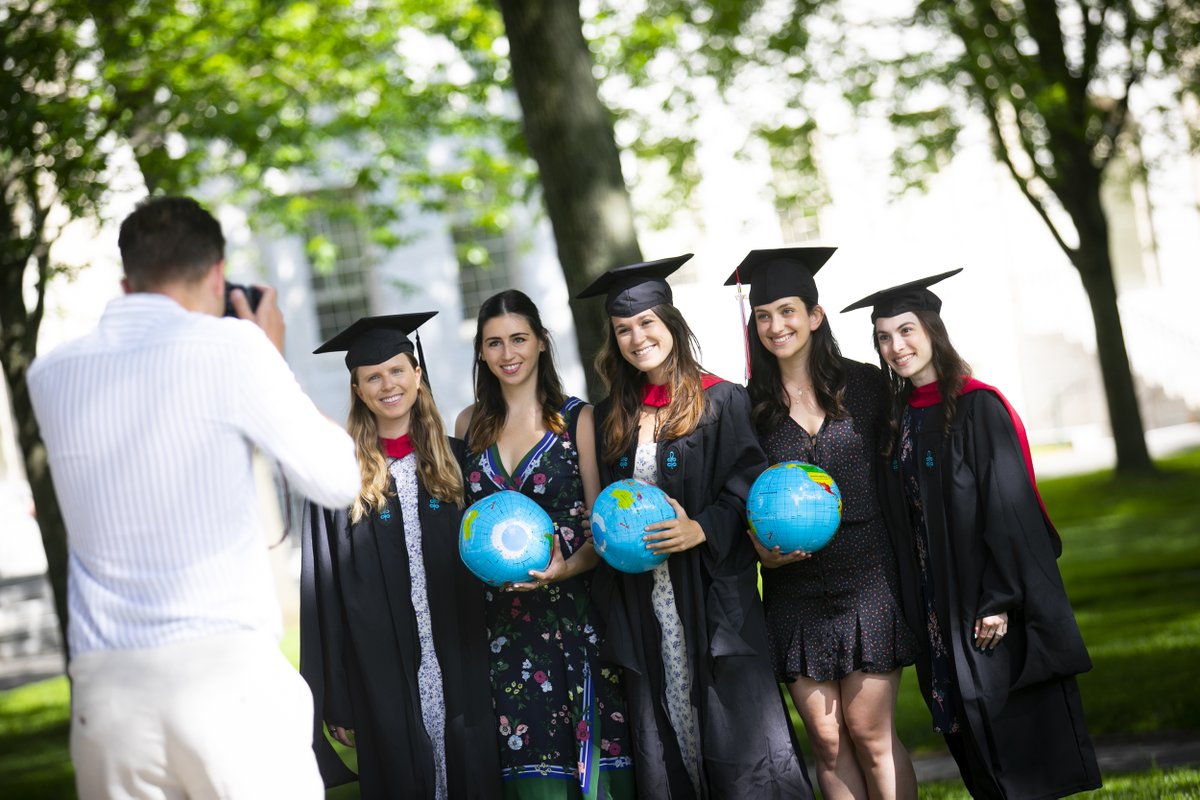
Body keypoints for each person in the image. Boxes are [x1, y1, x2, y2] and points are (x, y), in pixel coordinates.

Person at [27, 195, 361, 799]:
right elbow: (339, 479)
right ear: (216, 274)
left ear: (126, 281)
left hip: (107, 696)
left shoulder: (48, 375)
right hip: (223, 681)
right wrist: (270, 358)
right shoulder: (233, 351)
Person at [843, 269, 1102, 799]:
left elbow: (1010, 510)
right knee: (964, 730)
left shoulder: (977, 406)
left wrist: (1000, 597)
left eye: (907, 330)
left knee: (1011, 734)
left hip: (981, 601)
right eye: (884, 338)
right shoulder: (900, 419)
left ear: (933, 331)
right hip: (935, 605)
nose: (896, 347)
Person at [577, 256, 813, 800]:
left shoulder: (721, 399)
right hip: (643, 601)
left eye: (647, 323)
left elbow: (748, 488)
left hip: (710, 596)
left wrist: (701, 530)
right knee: (663, 731)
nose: (638, 338)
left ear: (671, 324)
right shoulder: (613, 413)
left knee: (738, 737)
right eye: (623, 330)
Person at [727, 248, 919, 800]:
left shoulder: (868, 387)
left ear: (815, 315)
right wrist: (757, 547)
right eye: (762, 316)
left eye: (787, 311)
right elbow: (736, 494)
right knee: (828, 743)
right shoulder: (748, 408)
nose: (774, 325)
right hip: (794, 588)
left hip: (868, 580)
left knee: (869, 733)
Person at [301, 313, 502, 799]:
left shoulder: (463, 461)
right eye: (373, 376)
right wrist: (335, 695)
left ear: (417, 375)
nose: (387, 385)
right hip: (380, 674)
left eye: (397, 370)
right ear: (358, 390)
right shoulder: (337, 479)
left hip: (465, 660)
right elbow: (320, 595)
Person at [454, 289, 635, 799]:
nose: (507, 354)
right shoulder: (468, 426)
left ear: (540, 343)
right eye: (494, 343)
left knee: (596, 769)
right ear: (482, 352)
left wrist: (564, 570)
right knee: (530, 773)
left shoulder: (576, 419)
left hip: (573, 619)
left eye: (518, 339)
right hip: (502, 628)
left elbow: (605, 527)